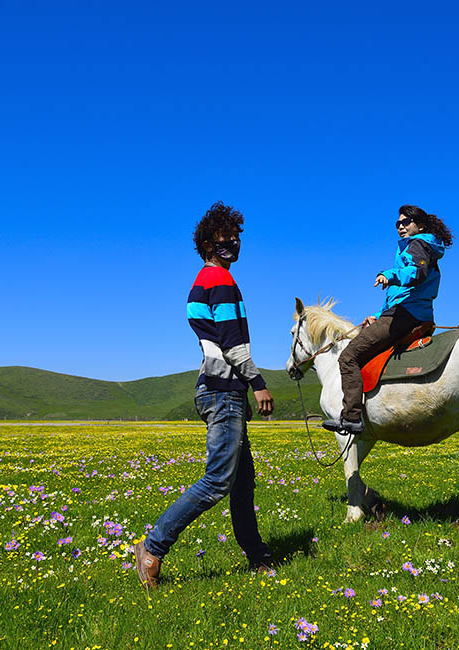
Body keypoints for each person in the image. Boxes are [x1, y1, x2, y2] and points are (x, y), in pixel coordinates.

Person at [133, 202, 275, 588]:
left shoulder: (202, 281)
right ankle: (152, 547)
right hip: (224, 389)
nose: (235, 242)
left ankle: (258, 557)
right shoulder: (221, 282)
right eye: (228, 236)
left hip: (218, 389)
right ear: (210, 241)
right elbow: (231, 344)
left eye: (237, 236)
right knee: (217, 481)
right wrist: (258, 383)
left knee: (243, 483)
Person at [323, 205, 451, 434]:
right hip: (408, 312)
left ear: (420, 225)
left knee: (348, 356)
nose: (401, 226)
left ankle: (351, 416)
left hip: (407, 314)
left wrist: (389, 275)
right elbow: (403, 292)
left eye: (406, 222)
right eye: (398, 223)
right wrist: (380, 316)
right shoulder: (422, 246)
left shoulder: (417, 245)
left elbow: (416, 274)